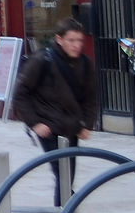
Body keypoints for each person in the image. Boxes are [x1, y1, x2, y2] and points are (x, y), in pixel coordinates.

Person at [12, 18, 102, 203]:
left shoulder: (84, 64)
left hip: (72, 128)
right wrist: (35, 123)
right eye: (71, 40)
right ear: (59, 39)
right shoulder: (42, 60)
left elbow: (91, 97)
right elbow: (21, 93)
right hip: (50, 127)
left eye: (79, 40)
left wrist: (87, 123)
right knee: (64, 177)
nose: (76, 45)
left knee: (67, 177)